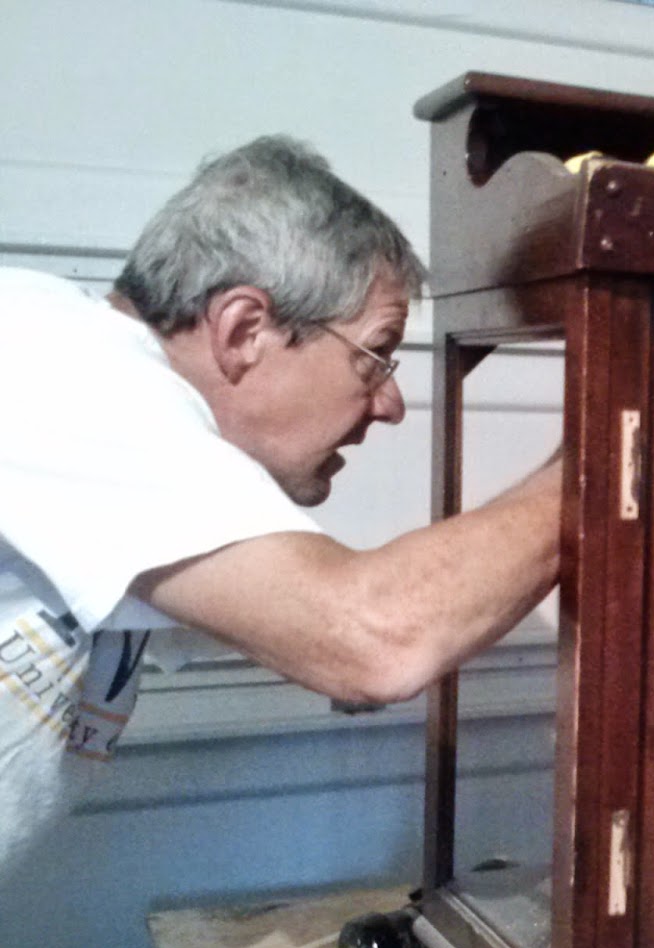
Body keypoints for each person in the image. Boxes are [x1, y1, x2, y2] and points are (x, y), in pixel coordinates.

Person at [0, 136, 562, 872]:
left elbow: (314, 632)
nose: (390, 404)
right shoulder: (60, 364)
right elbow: (373, 641)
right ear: (244, 331)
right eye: (375, 354)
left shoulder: (93, 406)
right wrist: (610, 451)